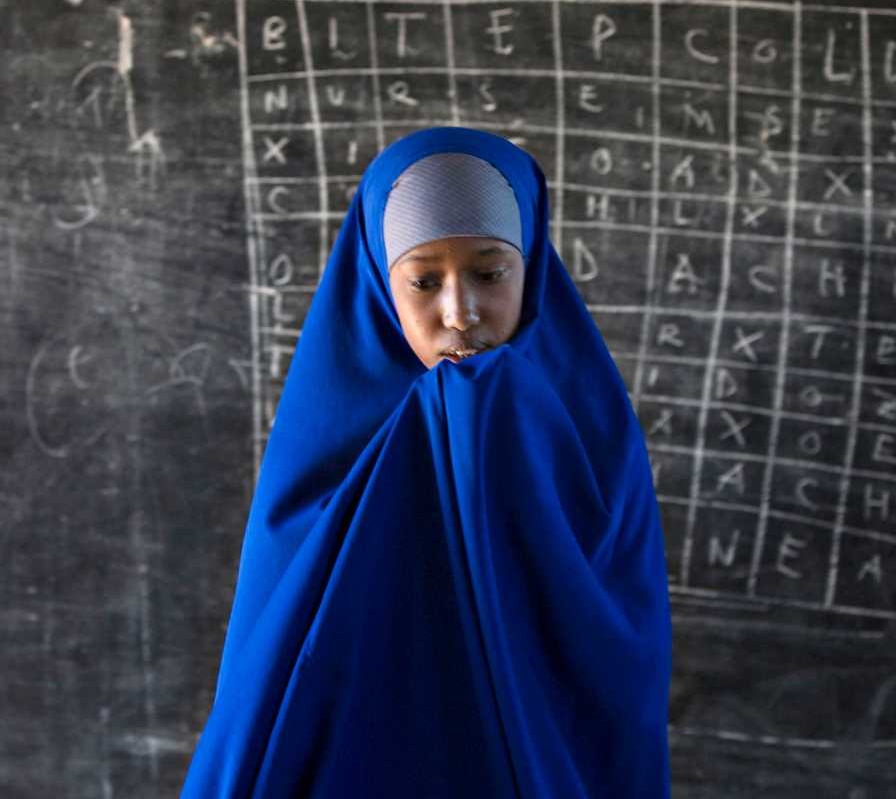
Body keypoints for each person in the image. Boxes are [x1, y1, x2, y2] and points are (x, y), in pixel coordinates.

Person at [182, 126, 672, 798]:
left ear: (531, 263)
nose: (460, 312)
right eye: (423, 280)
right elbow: (267, 686)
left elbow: (621, 657)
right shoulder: (322, 443)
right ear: (382, 285)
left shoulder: (591, 429)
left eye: (490, 272)